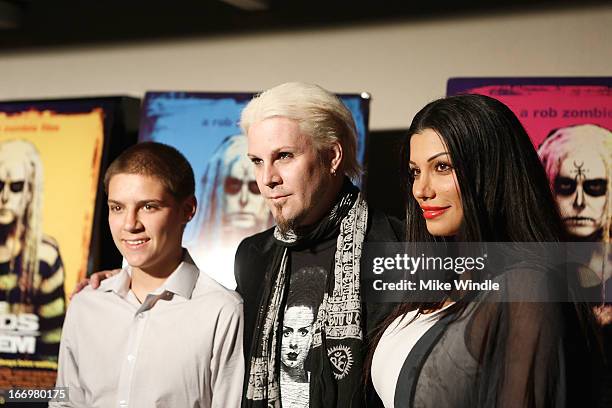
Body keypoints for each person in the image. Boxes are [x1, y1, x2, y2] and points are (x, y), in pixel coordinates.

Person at [369, 95, 601, 407]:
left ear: (491, 171)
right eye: (415, 172)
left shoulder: (525, 287)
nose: (421, 190)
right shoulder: (436, 282)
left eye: (442, 166)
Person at [235, 82, 403, 408]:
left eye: (284, 156)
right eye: (257, 161)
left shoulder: (398, 247)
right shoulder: (253, 256)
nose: (267, 178)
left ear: (332, 155)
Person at [53, 142, 244, 407]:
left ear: (187, 210)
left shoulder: (222, 311)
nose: (130, 224)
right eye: (117, 208)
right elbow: (66, 402)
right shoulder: (86, 303)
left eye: (148, 207)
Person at [0, 139, 65, 359]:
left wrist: (27, 395)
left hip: (22, 388)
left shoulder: (44, 256)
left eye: (16, 187)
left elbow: (53, 347)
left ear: (29, 193)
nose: (5, 198)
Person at [190, 133, 273, 288]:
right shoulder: (189, 260)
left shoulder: (285, 260)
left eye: (254, 188)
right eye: (233, 186)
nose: (243, 200)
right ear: (215, 192)